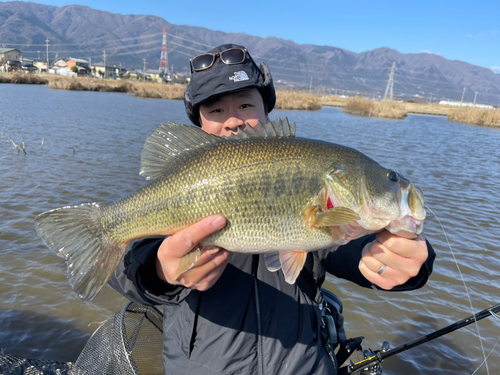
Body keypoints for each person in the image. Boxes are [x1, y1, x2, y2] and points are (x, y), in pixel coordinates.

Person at [109, 44, 435, 375]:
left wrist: (395, 258)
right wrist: (160, 271)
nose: (234, 120)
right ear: (199, 123)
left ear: (267, 111)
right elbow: (121, 268)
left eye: (246, 104)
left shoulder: (327, 199)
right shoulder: (179, 186)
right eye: (216, 111)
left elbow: (352, 248)